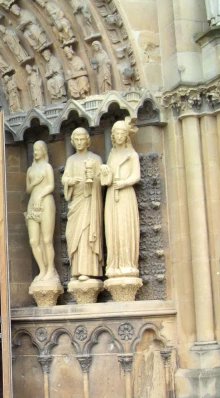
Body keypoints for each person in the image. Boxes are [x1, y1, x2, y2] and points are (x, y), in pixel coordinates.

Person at [100, 119, 142, 279]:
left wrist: (123, 183)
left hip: (125, 195)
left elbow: (136, 176)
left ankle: (127, 264)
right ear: (112, 135)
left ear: (126, 136)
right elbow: (108, 177)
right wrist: (104, 172)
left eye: (122, 133)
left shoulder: (131, 155)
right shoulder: (112, 154)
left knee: (124, 228)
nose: (119, 136)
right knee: (113, 230)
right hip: (112, 195)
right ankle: (114, 264)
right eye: (116, 133)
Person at [61, 128, 103, 282]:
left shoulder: (95, 159)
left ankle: (89, 269)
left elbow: (103, 182)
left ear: (87, 140)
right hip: (76, 202)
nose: (79, 143)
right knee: (74, 235)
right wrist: (70, 181)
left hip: (90, 201)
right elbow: (65, 178)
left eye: (81, 139)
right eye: (76, 140)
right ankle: (77, 270)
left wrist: (94, 178)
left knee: (86, 233)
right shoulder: (71, 160)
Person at [25, 141, 58, 284]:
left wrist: (41, 195)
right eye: (34, 150)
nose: (36, 152)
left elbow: (51, 185)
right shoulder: (30, 170)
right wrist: (35, 183)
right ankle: (42, 270)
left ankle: (51, 269)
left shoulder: (47, 167)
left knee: (47, 240)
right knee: (33, 241)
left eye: (38, 149)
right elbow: (27, 190)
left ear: (44, 151)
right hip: (32, 204)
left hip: (45, 202)